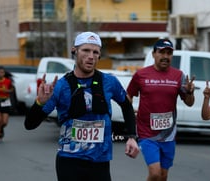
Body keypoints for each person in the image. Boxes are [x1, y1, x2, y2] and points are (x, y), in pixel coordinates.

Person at [24, 31, 139, 181]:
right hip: (69, 161)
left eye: (95, 52)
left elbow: (126, 106)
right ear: (75, 51)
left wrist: (132, 136)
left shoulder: (109, 82)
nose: (91, 56)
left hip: (100, 162)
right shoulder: (60, 86)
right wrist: (40, 103)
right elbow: (30, 124)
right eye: (86, 50)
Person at [126, 39, 195, 181]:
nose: (165, 56)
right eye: (161, 52)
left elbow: (189, 103)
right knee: (155, 173)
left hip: (169, 134)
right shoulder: (141, 75)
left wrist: (189, 92)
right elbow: (129, 96)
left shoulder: (179, 76)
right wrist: (129, 114)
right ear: (153, 54)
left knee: (163, 176)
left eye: (169, 53)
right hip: (147, 133)